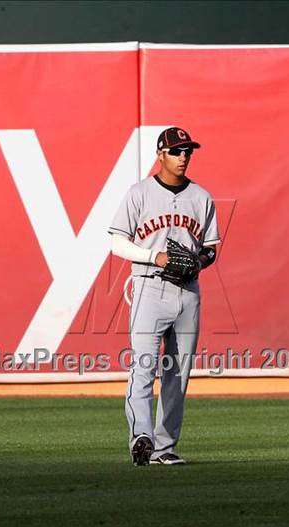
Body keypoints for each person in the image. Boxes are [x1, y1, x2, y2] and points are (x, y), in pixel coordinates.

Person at [108, 127, 221, 466]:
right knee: (144, 367)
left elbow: (211, 248)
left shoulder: (201, 197)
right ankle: (141, 436)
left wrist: (198, 261)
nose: (183, 156)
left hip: (188, 292)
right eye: (177, 151)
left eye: (188, 150)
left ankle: (165, 447)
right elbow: (117, 242)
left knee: (178, 372)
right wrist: (152, 256)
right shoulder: (139, 193)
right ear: (161, 155)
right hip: (149, 287)